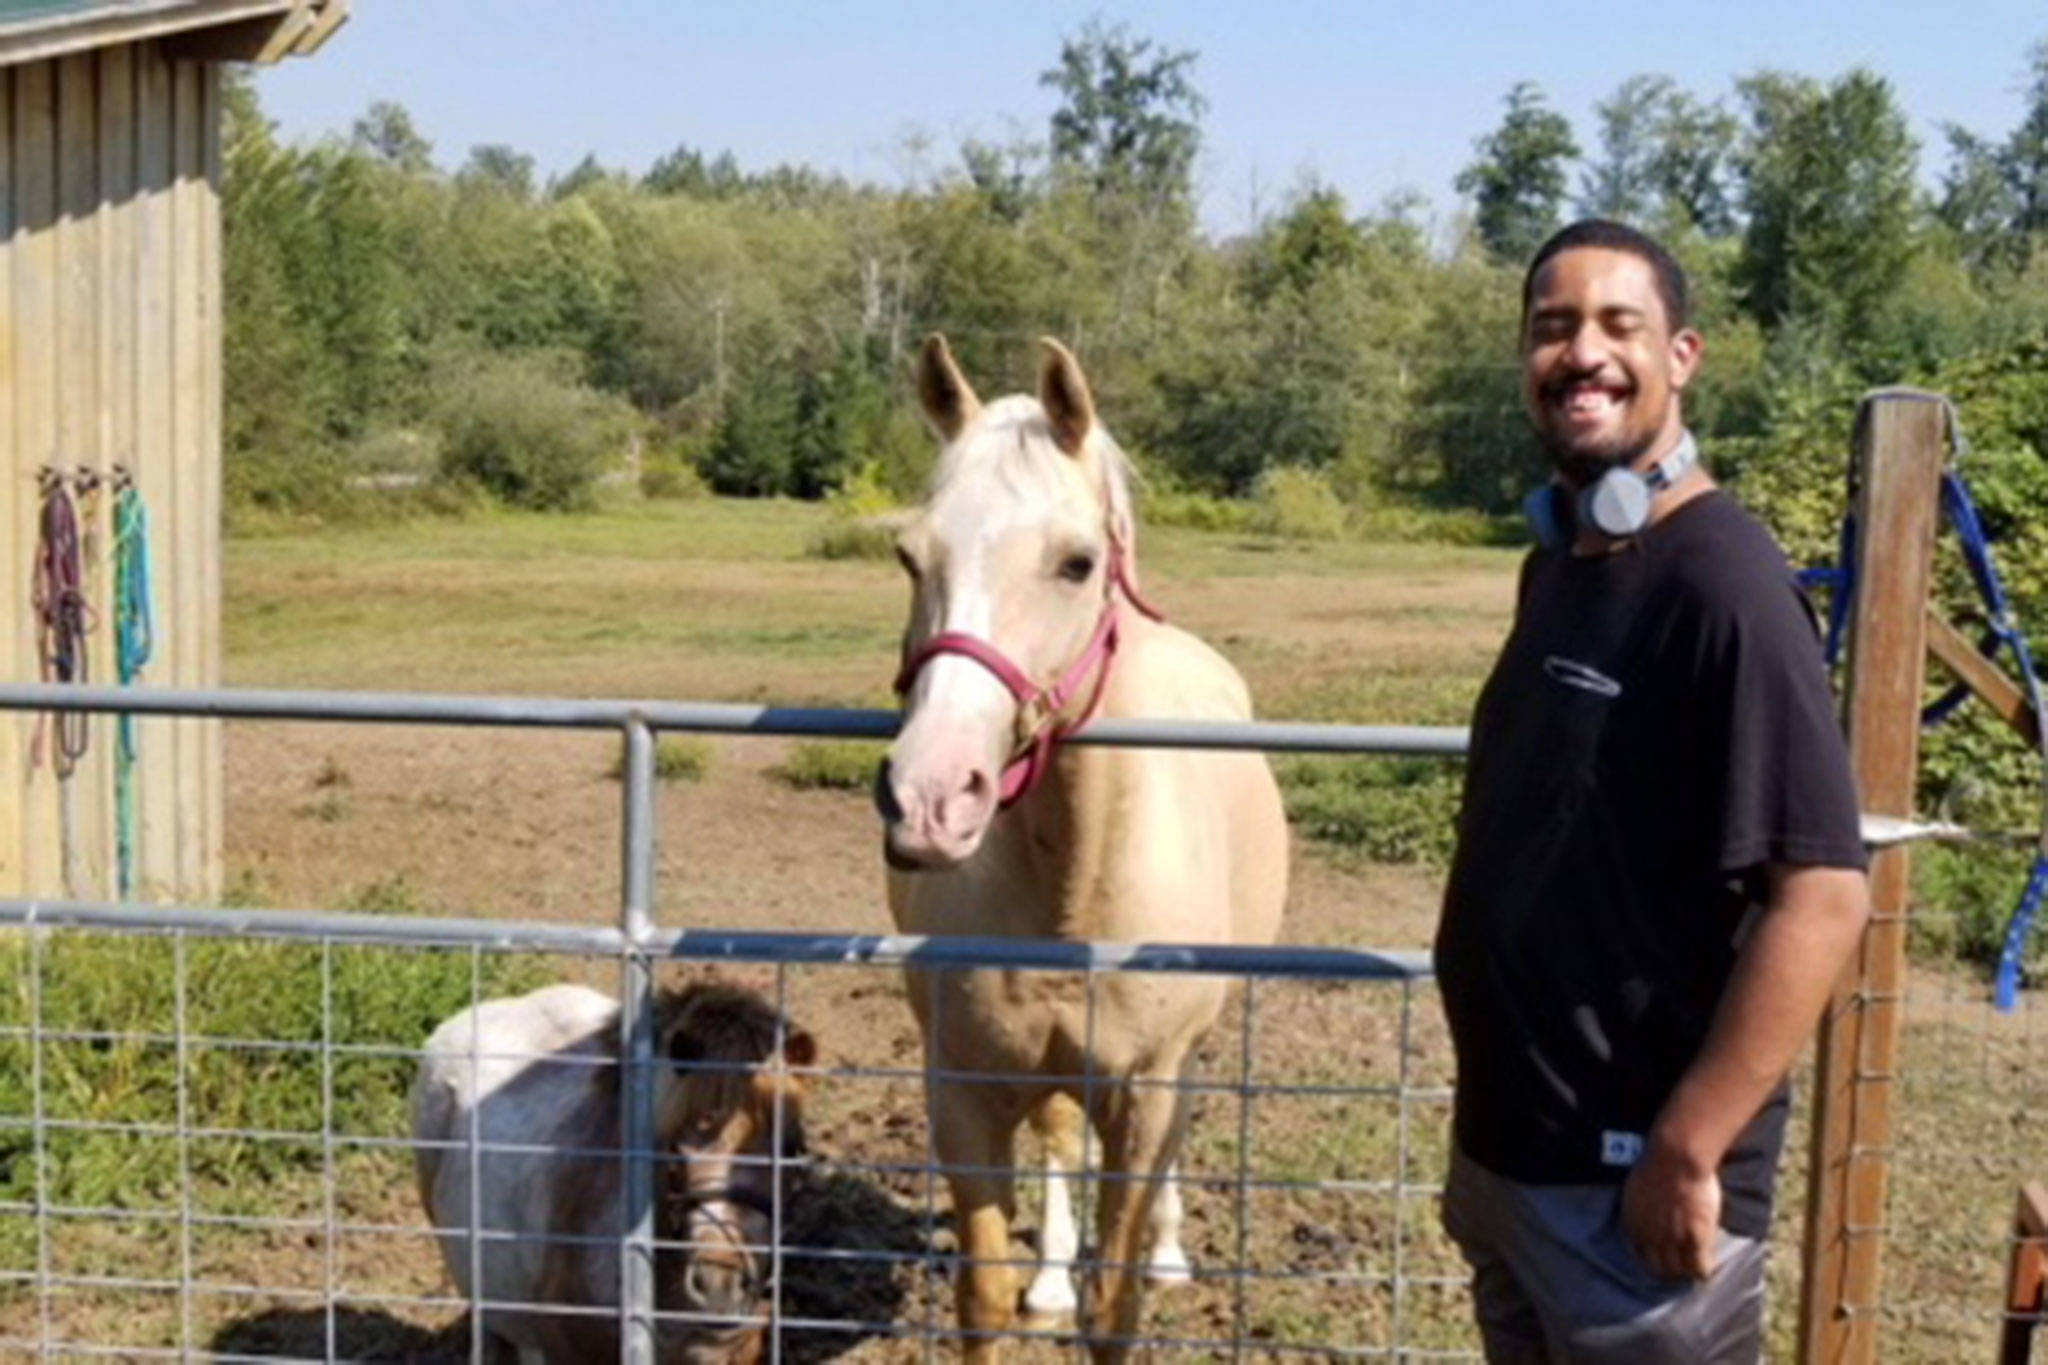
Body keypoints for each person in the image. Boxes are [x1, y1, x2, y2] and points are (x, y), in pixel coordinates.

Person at [1432, 219, 1873, 1364]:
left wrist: (1686, 1146)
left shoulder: (1722, 584)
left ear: (1681, 356)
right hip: (1514, 1167)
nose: (1580, 352)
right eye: (1551, 327)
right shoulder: (1562, 563)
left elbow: (1820, 895)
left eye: (1617, 326)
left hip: (1631, 1199)